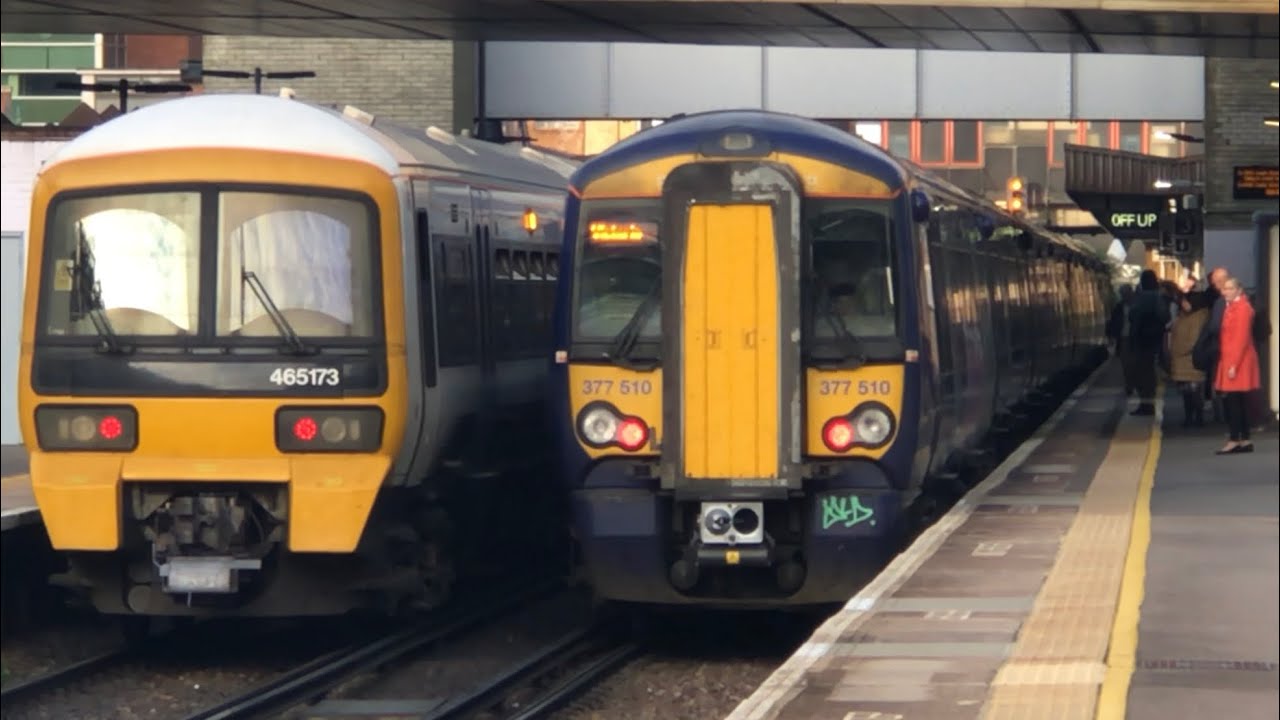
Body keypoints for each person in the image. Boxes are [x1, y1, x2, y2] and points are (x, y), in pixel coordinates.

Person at [1214, 277, 1260, 454]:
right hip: (1236, 359)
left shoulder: (1241, 310)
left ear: (1239, 290)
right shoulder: (1238, 307)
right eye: (1225, 289)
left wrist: (1233, 365)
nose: (1226, 292)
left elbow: (1240, 339)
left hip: (1236, 360)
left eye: (1230, 288)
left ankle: (1235, 439)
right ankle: (1245, 439)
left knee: (1234, 401)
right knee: (1240, 400)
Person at [1127, 270, 1170, 416]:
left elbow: (1133, 316)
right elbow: (1165, 316)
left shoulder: (1141, 298)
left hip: (1142, 340)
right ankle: (1148, 404)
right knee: (1149, 373)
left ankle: (1146, 405)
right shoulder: (1159, 297)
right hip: (1155, 338)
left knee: (1143, 374)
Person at [1168, 289, 1211, 426]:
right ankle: (1190, 417)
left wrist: (1177, 350)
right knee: (1187, 392)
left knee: (1193, 392)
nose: (1182, 303)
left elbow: (1193, 340)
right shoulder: (1185, 316)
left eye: (1185, 301)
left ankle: (1195, 418)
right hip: (1183, 362)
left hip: (1191, 360)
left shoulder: (1198, 317)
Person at [1107, 285, 1135, 395]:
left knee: (1134, 364)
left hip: (1136, 338)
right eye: (1123, 294)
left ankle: (1133, 383)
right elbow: (1112, 322)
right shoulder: (1118, 307)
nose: (1124, 296)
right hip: (1123, 338)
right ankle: (1129, 385)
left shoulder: (1138, 305)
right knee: (1125, 364)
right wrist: (1111, 336)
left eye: (1126, 294)